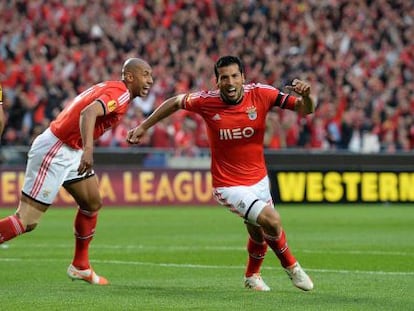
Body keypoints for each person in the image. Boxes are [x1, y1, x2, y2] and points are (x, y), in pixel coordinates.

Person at [127, 55, 315, 291]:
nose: (230, 82)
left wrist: (307, 96)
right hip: (228, 185)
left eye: (235, 76)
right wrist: (143, 126)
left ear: (243, 78)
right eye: (224, 77)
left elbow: (305, 110)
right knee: (272, 221)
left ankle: (252, 276)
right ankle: (292, 267)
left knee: (258, 232)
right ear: (217, 82)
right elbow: (175, 102)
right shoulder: (206, 101)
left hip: (259, 179)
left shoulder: (262, 93)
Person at [0, 58, 153, 285]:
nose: (150, 80)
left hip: (71, 150)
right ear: (130, 76)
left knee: (92, 202)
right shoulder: (120, 93)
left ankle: (80, 265)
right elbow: (88, 113)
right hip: (56, 149)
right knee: (27, 221)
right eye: (146, 74)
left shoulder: (114, 89)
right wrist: (89, 151)